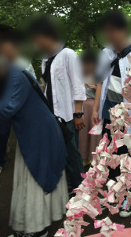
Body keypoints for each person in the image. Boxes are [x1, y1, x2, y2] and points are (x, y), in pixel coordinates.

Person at [0, 61, 68, 237]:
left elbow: (6, 108)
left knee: (35, 181)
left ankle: (38, 229)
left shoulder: (16, 76)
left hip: (40, 134)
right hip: (31, 133)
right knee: (26, 181)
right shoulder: (9, 74)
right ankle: (26, 227)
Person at [92, 10, 131, 218]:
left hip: (128, 116)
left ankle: (128, 197)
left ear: (122, 30)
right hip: (108, 114)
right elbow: (100, 81)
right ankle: (114, 193)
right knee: (110, 155)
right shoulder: (105, 53)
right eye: (106, 32)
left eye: (111, 31)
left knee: (128, 157)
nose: (108, 36)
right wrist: (97, 109)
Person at [28, 15, 86, 193]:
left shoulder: (68, 54)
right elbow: (47, 88)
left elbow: (78, 85)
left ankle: (82, 190)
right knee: (60, 153)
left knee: (72, 154)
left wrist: (78, 114)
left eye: (38, 39)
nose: (37, 44)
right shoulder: (46, 60)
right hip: (53, 115)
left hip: (68, 115)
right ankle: (70, 187)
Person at [0, 30, 37, 176]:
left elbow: (34, 83)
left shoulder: (25, 63)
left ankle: (29, 161)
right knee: (2, 133)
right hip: (5, 104)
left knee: (27, 133)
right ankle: (0, 162)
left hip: (23, 106)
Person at [78, 50, 102, 166]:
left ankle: (94, 159)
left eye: (91, 63)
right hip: (82, 108)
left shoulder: (99, 76)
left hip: (94, 107)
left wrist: (95, 87)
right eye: (85, 63)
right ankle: (82, 157)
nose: (88, 66)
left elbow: (103, 93)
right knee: (82, 133)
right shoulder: (79, 75)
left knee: (94, 134)